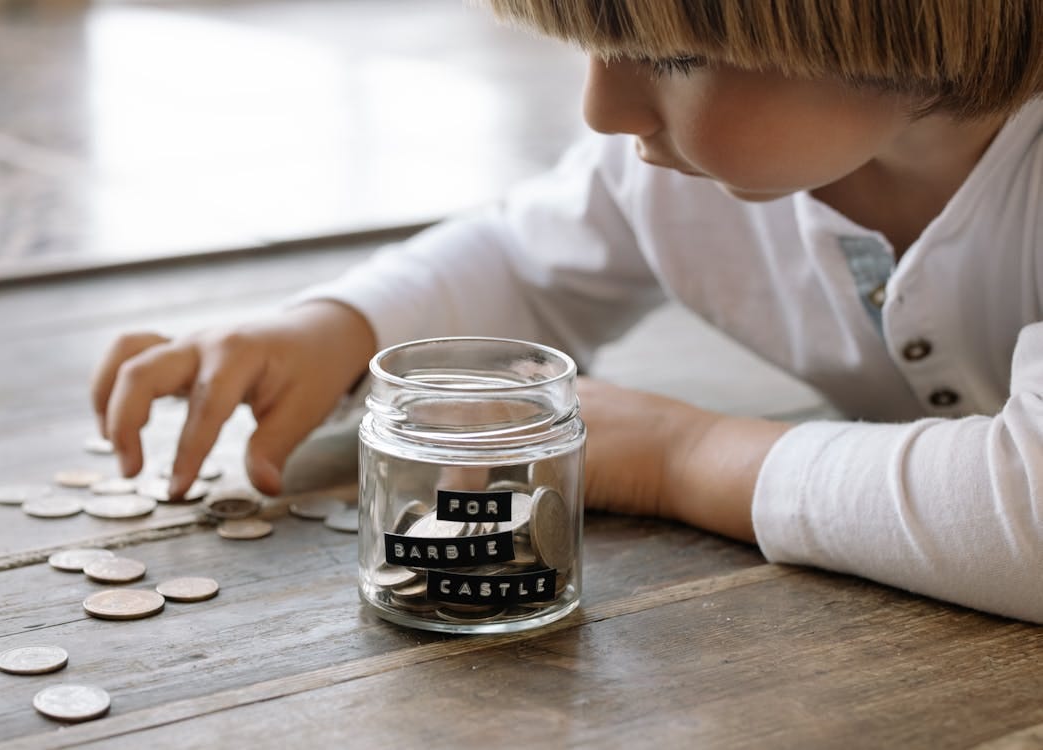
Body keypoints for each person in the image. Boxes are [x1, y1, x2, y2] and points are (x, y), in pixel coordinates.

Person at [91, 0, 1043, 622]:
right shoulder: (672, 175)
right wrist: (337, 325)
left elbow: (1026, 518)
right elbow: (523, 259)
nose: (599, 107)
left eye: (665, 55)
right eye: (591, 48)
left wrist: (683, 456)